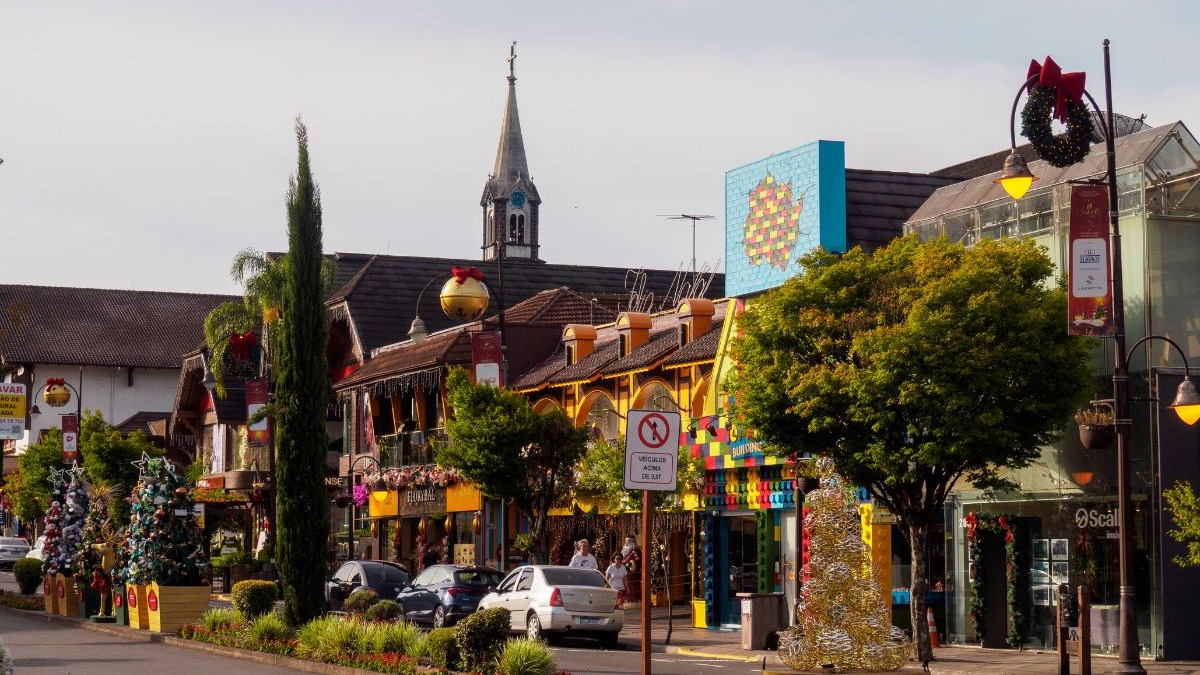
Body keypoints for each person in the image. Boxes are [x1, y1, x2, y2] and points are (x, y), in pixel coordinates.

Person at [622, 535, 642, 605]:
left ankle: (635, 601)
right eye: (626, 541)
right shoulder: (625, 551)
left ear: (632, 542)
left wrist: (630, 563)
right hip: (626, 573)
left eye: (628, 541)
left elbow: (638, 560)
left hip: (633, 574)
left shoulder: (635, 551)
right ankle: (627, 600)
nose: (626, 543)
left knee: (633, 587)